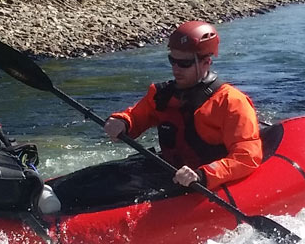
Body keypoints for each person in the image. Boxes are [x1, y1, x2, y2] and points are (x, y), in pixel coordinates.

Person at [103, 20, 262, 190]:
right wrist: (122, 122)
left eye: (184, 63)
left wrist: (204, 174)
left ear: (206, 62)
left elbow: (247, 157)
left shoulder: (231, 102)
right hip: (170, 171)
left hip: (203, 181)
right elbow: (135, 116)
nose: (176, 69)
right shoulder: (161, 95)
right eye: (173, 60)